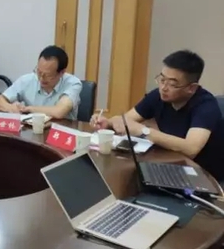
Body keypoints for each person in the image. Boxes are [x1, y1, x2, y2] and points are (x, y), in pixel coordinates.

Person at [91, 50, 224, 182]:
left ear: (192, 88)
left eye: (172, 84)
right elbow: (126, 121)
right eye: (162, 79)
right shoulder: (159, 96)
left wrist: (144, 131)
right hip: (171, 166)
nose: (164, 87)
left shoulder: (206, 106)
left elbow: (191, 149)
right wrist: (108, 123)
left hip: (205, 177)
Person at [0, 45, 82, 120]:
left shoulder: (73, 84)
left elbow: (59, 111)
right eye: (39, 72)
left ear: (62, 73)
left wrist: (29, 109)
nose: (41, 78)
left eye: (48, 75)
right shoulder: (27, 80)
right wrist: (11, 108)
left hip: (60, 131)